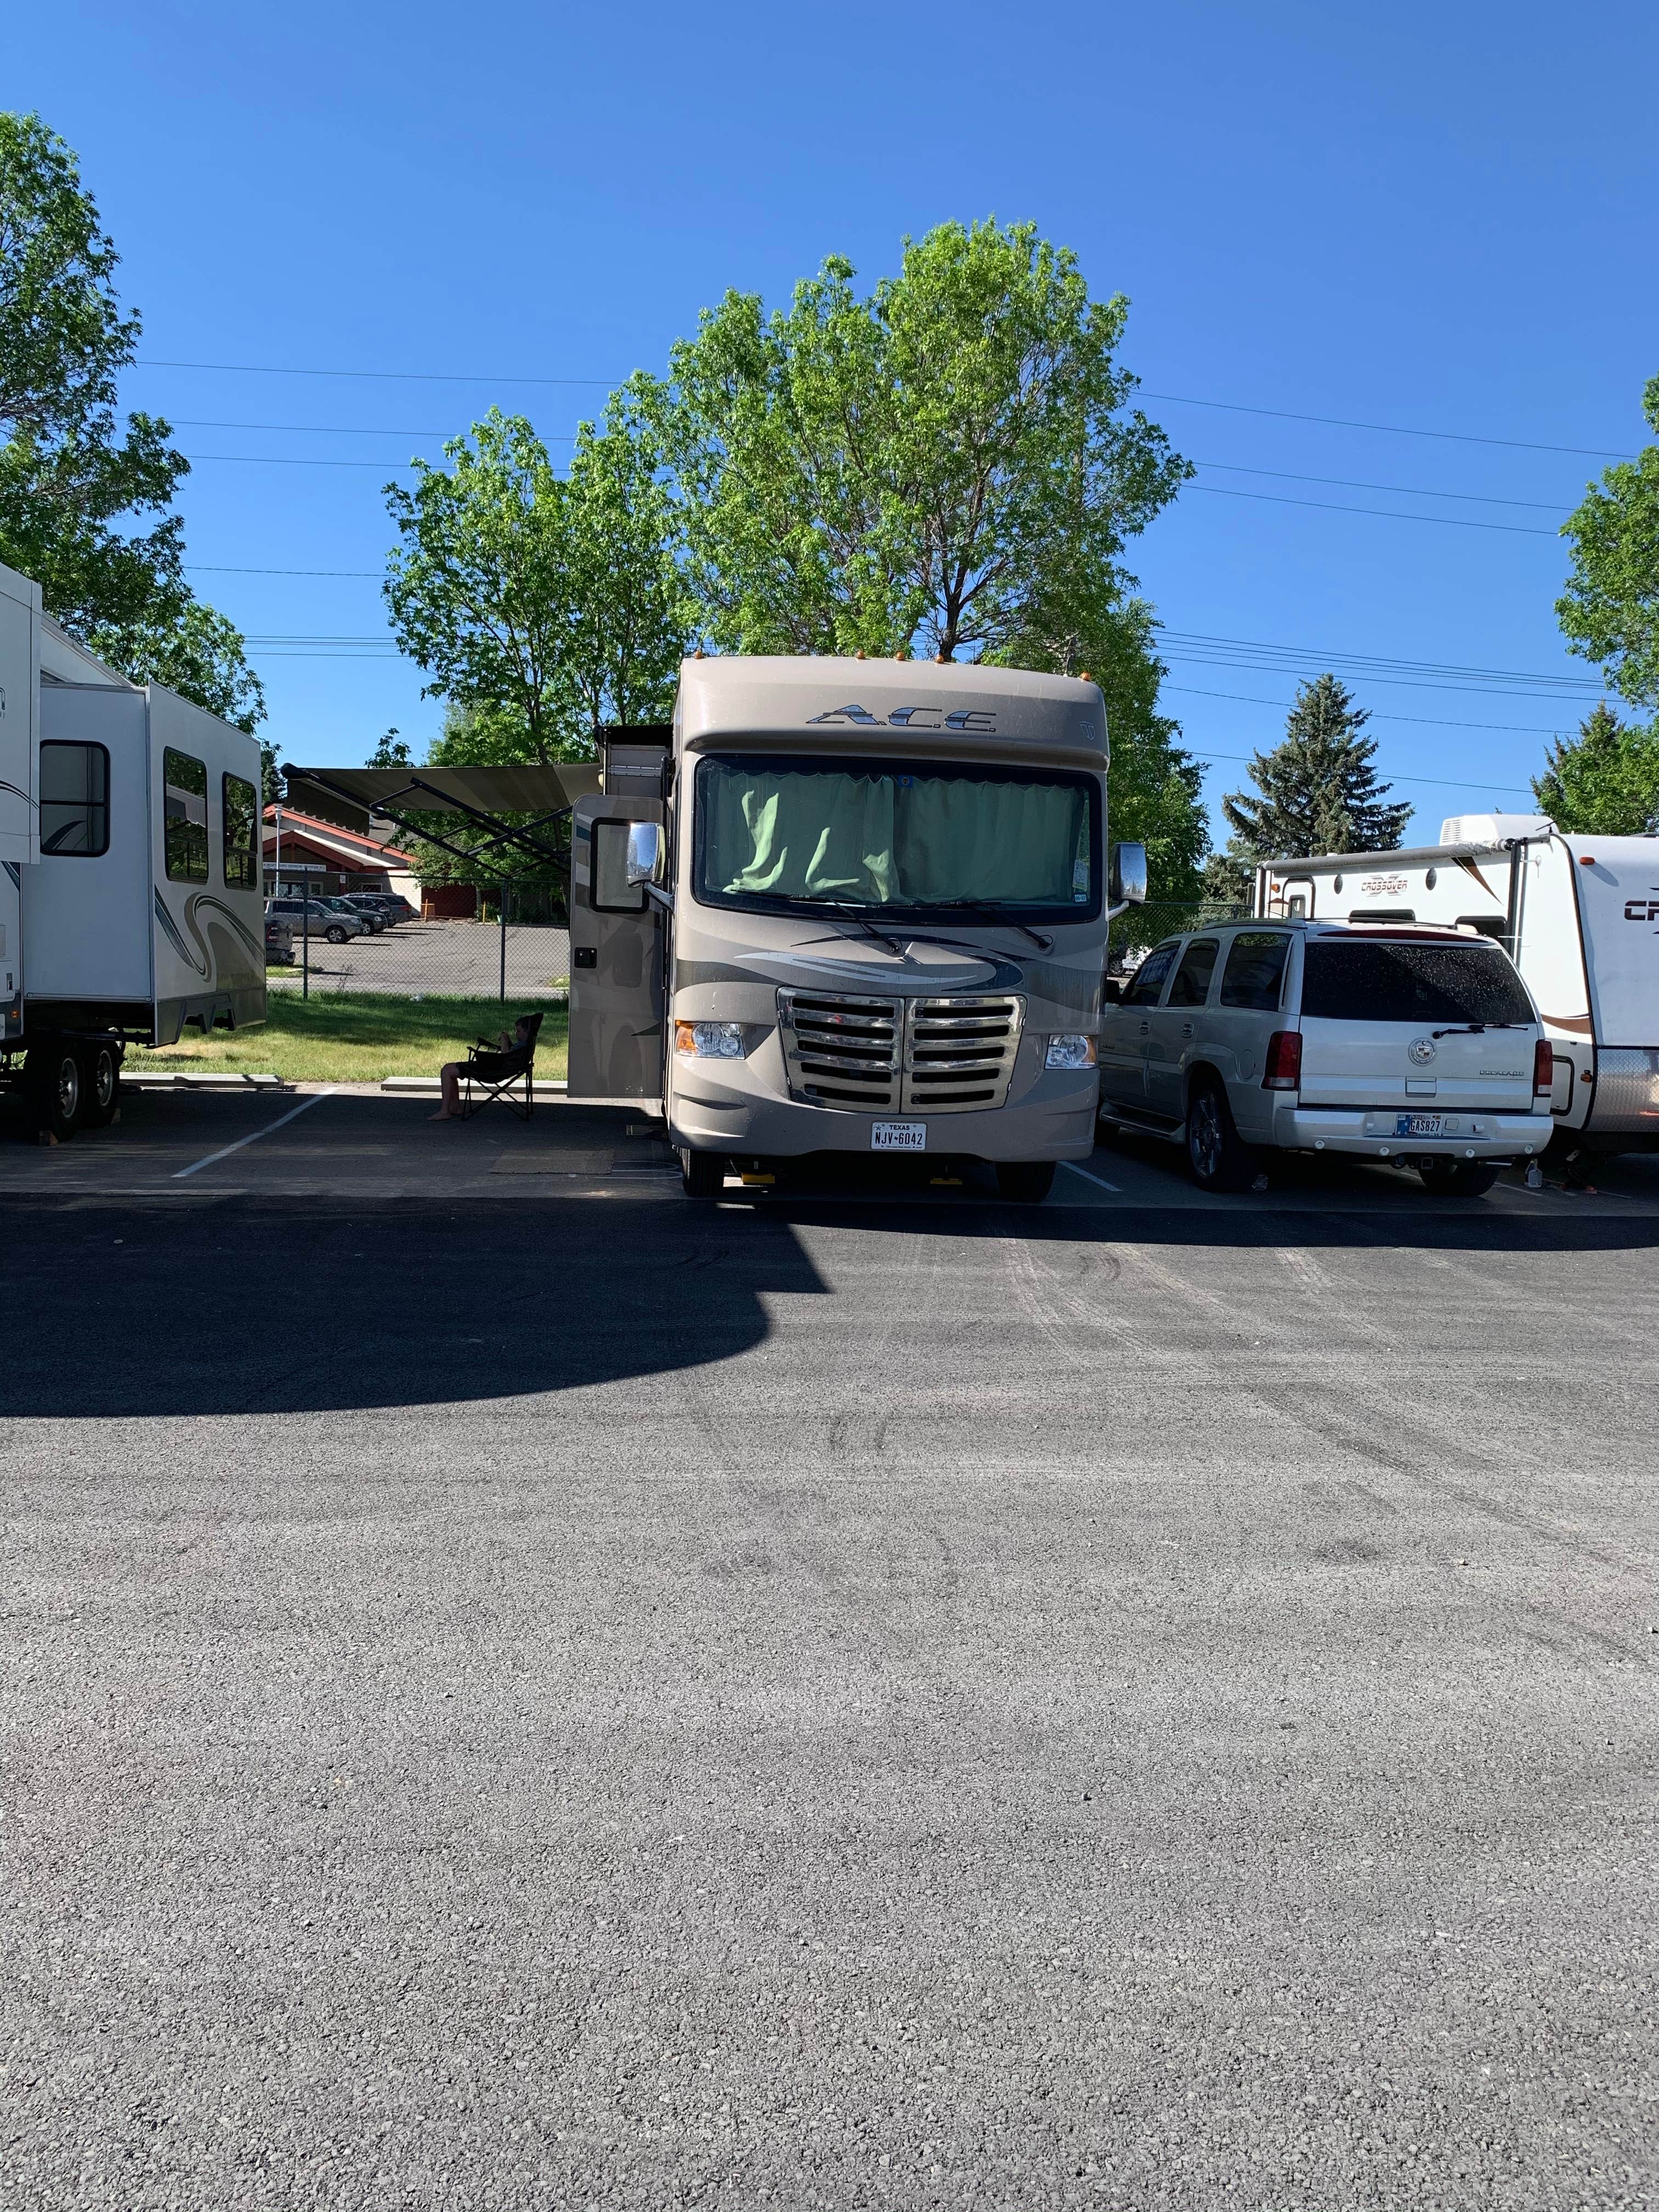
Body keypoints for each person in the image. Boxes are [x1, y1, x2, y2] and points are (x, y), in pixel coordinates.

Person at [431, 1014, 534, 1120]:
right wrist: (508, 1042)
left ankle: (445, 1112)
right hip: (497, 1067)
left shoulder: (523, 1045)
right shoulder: (525, 1045)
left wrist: (504, 1040)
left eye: (519, 1031)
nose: (516, 1034)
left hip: (493, 1071)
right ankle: (455, 1107)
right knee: (448, 1068)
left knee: (447, 1071)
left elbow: (505, 1055)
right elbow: (510, 1055)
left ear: (527, 1032)